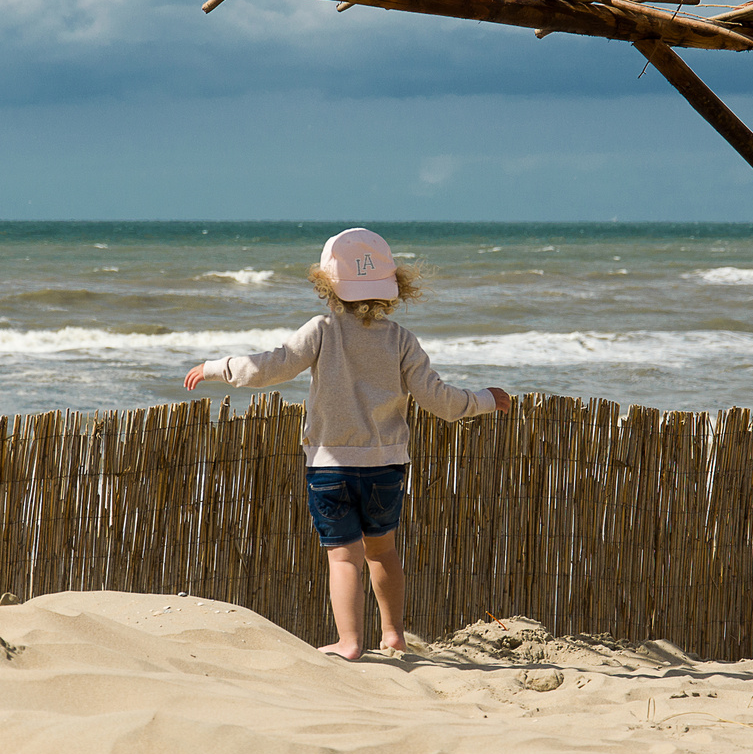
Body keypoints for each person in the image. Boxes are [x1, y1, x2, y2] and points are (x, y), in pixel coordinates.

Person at [184, 228, 511, 660]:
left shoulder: (322, 330)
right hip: (386, 466)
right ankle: (393, 633)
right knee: (383, 550)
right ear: (392, 288)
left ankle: (350, 642)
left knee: (343, 559)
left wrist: (216, 366)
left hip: (330, 466)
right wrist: (486, 399)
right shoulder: (401, 339)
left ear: (327, 285)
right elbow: (440, 401)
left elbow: (273, 366)